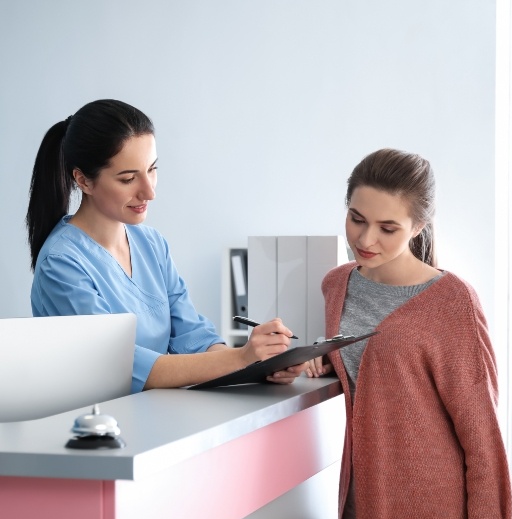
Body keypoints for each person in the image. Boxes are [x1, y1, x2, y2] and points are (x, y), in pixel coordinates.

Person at [307, 148, 512, 519]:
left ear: (418, 225)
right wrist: (318, 358)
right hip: (355, 515)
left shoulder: (453, 303)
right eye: (357, 219)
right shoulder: (335, 285)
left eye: (388, 228)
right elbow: (378, 375)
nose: (366, 240)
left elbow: (484, 444)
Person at [26, 99, 306, 393]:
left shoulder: (151, 244)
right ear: (83, 180)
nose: (149, 191)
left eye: (152, 169)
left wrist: (261, 364)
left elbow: (193, 337)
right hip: (96, 429)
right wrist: (241, 357)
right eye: (128, 178)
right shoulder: (61, 262)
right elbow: (124, 368)